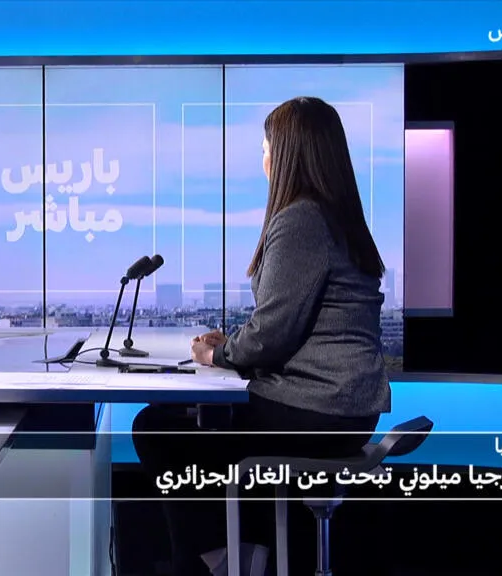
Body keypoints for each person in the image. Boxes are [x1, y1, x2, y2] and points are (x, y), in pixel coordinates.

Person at [132, 97, 392, 576]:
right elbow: (296, 320)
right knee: (197, 424)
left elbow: (273, 332)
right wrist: (233, 343)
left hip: (320, 409)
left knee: (155, 427)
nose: (263, 157)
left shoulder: (300, 219)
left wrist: (216, 356)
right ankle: (242, 551)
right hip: (350, 409)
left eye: (267, 146)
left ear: (290, 153)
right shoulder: (338, 217)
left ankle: (211, 560)